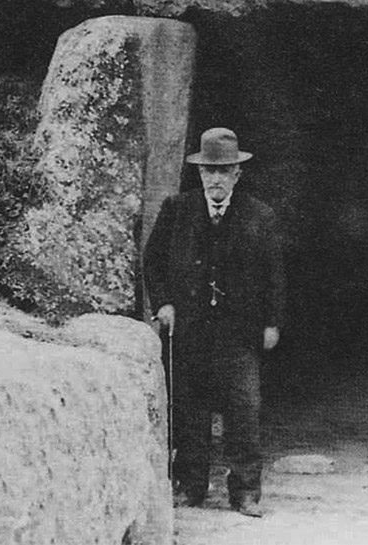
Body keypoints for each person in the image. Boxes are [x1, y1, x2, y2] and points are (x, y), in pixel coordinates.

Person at [143, 127, 286, 516]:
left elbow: (275, 274)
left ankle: (245, 492)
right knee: (190, 411)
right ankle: (191, 486)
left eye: (225, 171)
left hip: (239, 333)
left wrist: (272, 322)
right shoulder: (177, 210)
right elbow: (152, 261)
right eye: (210, 172)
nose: (217, 179)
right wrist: (164, 303)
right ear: (200, 174)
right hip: (190, 330)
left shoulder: (260, 216)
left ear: (238, 174)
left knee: (244, 410)